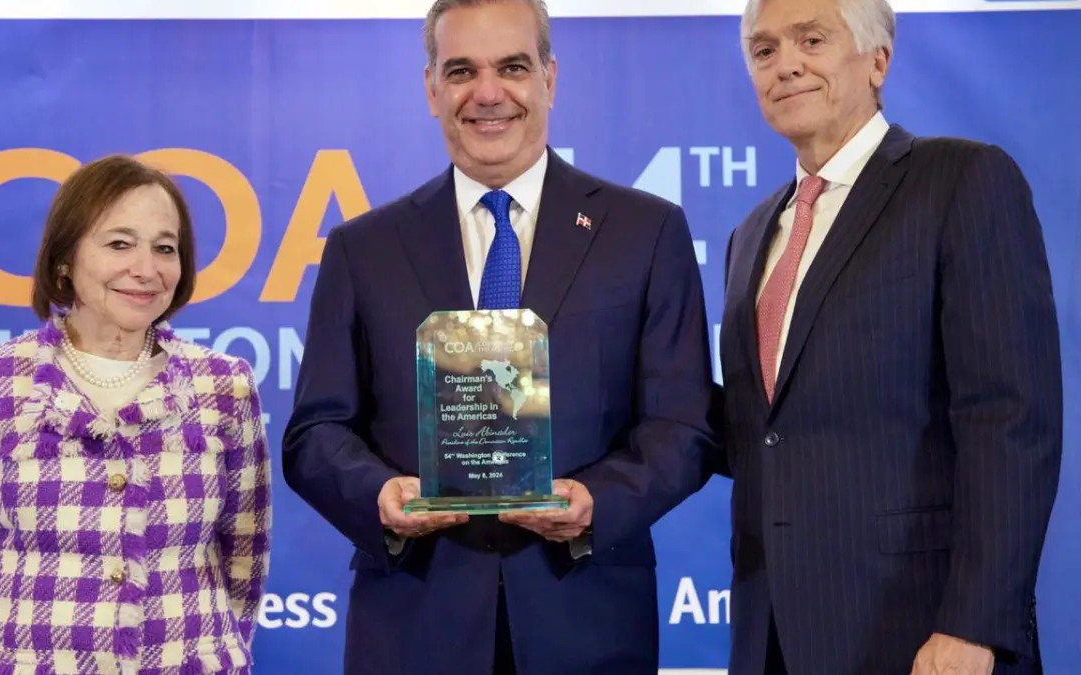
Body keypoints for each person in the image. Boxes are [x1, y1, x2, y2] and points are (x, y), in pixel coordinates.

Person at [281, 1, 720, 674]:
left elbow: (683, 426)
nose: (488, 93)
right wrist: (378, 495)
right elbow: (315, 433)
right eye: (461, 70)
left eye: (512, 66)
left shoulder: (646, 233)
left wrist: (599, 502)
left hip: (589, 620)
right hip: (415, 625)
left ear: (550, 77)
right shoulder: (361, 249)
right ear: (431, 88)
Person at [720, 0, 1063, 673]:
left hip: (923, 631)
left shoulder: (961, 179)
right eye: (763, 51)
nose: (784, 64)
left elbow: (1010, 419)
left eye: (810, 40)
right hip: (774, 638)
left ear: (878, 60)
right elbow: (758, 428)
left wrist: (975, 625)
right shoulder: (751, 233)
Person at [0, 155, 273, 675]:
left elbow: (246, 558)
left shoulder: (224, 386)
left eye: (165, 248)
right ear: (65, 258)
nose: (146, 269)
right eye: (119, 244)